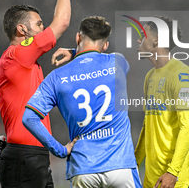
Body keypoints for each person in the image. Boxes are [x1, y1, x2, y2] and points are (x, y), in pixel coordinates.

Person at [22, 16, 142, 188]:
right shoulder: (118, 62)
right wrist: (73, 52)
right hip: (121, 165)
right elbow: (95, 59)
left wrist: (59, 150)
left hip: (84, 168)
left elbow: (29, 118)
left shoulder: (56, 77)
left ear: (78, 37)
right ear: (106, 45)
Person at [0, 0, 71, 188]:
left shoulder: (21, 61)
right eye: (38, 24)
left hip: (28, 155)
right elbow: (62, 23)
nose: (43, 28)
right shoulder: (18, 54)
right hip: (24, 156)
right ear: (22, 30)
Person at [134, 16, 189, 188]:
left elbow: (188, 127)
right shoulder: (150, 77)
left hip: (177, 178)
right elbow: (148, 124)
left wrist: (173, 172)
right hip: (152, 177)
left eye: (143, 34)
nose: (138, 39)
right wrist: (134, 161)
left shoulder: (181, 75)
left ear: (156, 40)